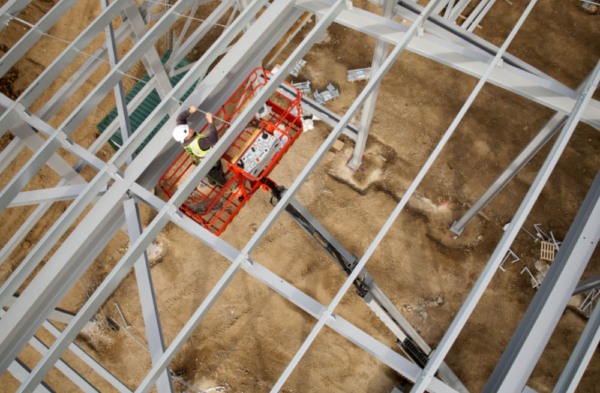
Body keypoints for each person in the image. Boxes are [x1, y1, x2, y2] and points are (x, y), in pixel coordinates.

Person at [172, 106, 226, 187]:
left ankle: (212, 182)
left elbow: (180, 119)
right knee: (217, 173)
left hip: (202, 162)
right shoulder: (199, 143)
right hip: (211, 162)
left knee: (210, 174)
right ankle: (221, 184)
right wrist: (210, 122)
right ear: (186, 138)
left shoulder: (183, 139)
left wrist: (190, 111)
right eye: (189, 131)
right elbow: (213, 139)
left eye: (188, 128)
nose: (191, 129)